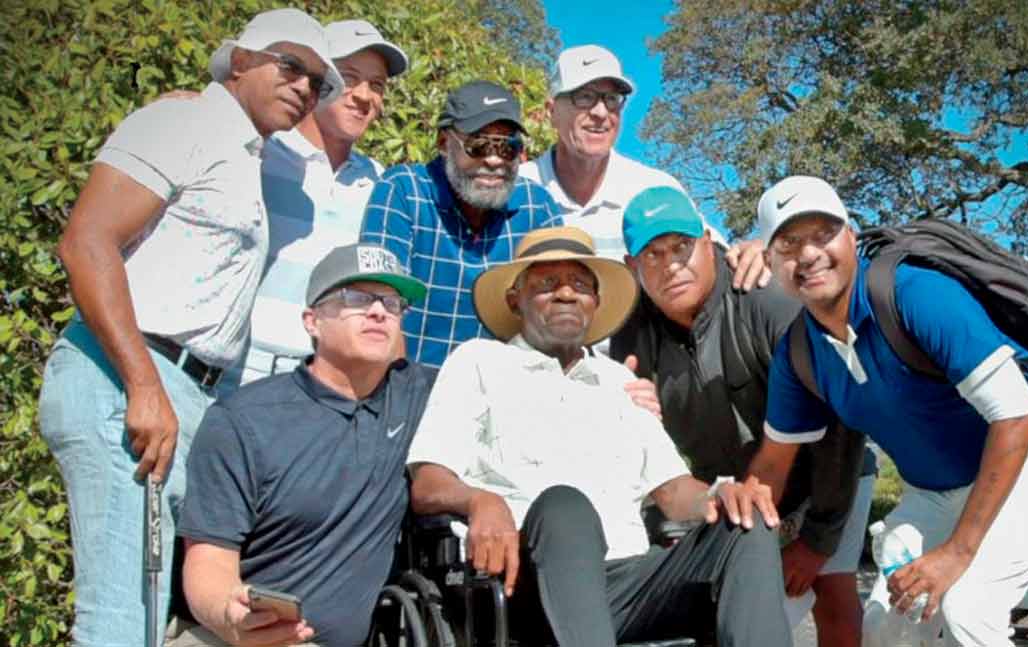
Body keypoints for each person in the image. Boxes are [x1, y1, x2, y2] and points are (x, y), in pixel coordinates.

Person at [37, 9, 342, 646]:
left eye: (316, 81)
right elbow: (87, 242)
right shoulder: (184, 122)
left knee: (149, 615)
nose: (304, 87)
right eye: (290, 66)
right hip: (126, 376)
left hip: (179, 389)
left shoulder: (245, 153)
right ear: (239, 62)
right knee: (122, 619)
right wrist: (143, 387)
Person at [407, 226, 794, 647]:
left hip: (629, 580)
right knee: (565, 506)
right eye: (547, 284)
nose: (567, 294)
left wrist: (720, 495)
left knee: (747, 519)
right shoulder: (479, 363)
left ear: (596, 302)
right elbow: (428, 483)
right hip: (525, 580)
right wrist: (480, 500)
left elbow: (671, 489)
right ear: (514, 299)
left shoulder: (619, 383)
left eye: (579, 284)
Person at [752, 176, 1028, 647]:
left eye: (823, 233)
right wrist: (735, 538)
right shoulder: (799, 354)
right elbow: (770, 466)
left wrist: (957, 552)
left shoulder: (913, 294)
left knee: (969, 608)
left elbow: (1017, 415)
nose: (808, 254)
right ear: (768, 260)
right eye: (788, 243)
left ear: (851, 235)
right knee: (886, 628)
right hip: (935, 490)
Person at [610, 186, 875, 647]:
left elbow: (841, 421)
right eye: (652, 255)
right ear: (633, 268)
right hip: (740, 495)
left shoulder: (763, 297)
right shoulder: (629, 334)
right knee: (734, 611)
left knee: (831, 591)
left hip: (830, 473)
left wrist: (818, 539)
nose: (671, 264)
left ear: (708, 240)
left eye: (681, 246)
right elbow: (646, 457)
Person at [171, 244, 434, 647]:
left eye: (392, 303)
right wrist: (232, 614)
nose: (378, 311)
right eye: (357, 299)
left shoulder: (421, 397)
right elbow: (207, 559)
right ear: (312, 321)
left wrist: (484, 503)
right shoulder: (245, 420)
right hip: (227, 638)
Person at [236, 19, 410, 386]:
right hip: (233, 376)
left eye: (377, 85)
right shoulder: (260, 154)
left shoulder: (380, 185)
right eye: (348, 77)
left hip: (318, 389)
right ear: (319, 80)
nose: (364, 95)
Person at [521, 44, 768, 289]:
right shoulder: (518, 191)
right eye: (584, 97)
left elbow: (716, 260)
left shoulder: (654, 188)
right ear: (552, 112)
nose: (600, 112)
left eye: (612, 99)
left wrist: (754, 255)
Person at [360, 80, 562, 367]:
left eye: (508, 147)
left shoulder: (538, 206)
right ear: (444, 143)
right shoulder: (403, 190)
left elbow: (554, 315)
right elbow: (380, 302)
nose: (494, 160)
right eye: (478, 145)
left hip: (504, 391)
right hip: (407, 382)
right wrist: (403, 397)